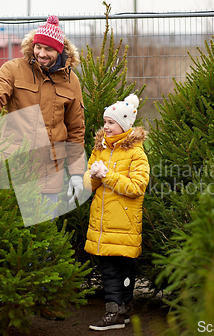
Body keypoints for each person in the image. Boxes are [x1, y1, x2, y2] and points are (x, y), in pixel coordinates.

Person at [0, 15, 86, 208]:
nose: (42, 53)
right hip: (15, 167)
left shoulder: (71, 82)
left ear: (59, 50)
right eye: (38, 47)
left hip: (50, 173)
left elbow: (76, 130)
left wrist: (77, 174)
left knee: (43, 227)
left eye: (49, 49)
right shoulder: (14, 69)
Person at [83, 94, 150, 331]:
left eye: (111, 123)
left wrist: (107, 176)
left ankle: (122, 311)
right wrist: (91, 176)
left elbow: (136, 187)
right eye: (105, 122)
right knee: (109, 267)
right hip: (103, 223)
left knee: (123, 268)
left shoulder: (136, 153)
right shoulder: (100, 149)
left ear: (124, 125)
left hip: (125, 223)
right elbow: (87, 184)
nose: (106, 127)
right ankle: (117, 312)